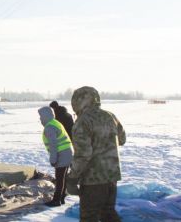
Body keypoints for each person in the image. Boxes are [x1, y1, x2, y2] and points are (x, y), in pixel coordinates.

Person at [66, 86, 126, 222]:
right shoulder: (110, 116)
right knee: (108, 214)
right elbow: (122, 139)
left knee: (89, 217)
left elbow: (83, 155)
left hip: (93, 181)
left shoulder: (82, 121)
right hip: (112, 177)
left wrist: (72, 178)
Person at [38, 106, 73, 207]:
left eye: (41, 117)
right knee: (63, 177)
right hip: (68, 153)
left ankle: (56, 200)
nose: (40, 119)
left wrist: (53, 159)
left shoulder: (49, 127)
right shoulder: (56, 123)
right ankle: (61, 198)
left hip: (61, 154)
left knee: (59, 178)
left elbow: (53, 145)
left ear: (45, 116)